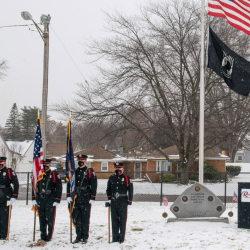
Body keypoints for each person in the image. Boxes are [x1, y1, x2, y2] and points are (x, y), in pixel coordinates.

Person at [67, 154, 97, 244]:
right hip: (76, 198)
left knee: (85, 219)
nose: (81, 162)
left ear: (86, 161)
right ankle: (78, 236)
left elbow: (94, 185)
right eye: (79, 160)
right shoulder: (74, 172)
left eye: (82, 160)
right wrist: (68, 195)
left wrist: (92, 197)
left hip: (86, 197)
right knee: (77, 219)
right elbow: (70, 184)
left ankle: (85, 237)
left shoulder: (90, 172)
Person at [32, 158, 62, 242]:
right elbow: (34, 187)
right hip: (41, 199)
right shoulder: (39, 175)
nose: (45, 167)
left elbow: (59, 187)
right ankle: (43, 235)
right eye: (44, 165)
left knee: (50, 219)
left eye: (47, 165)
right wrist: (33, 198)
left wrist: (57, 199)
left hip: (50, 199)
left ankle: (49, 236)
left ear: (50, 165)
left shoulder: (54, 174)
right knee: (42, 218)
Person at [106, 162, 133, 244]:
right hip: (114, 201)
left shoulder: (127, 178)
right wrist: (109, 198)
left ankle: (121, 238)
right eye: (117, 169)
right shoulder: (111, 178)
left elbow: (130, 191)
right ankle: (115, 238)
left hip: (123, 201)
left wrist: (129, 201)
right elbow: (108, 189)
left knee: (122, 220)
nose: (118, 170)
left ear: (123, 169)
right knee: (114, 220)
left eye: (120, 169)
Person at [0, 156, 19, 240]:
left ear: (5, 163)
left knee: (4, 217)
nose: (0, 166)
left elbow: (16, 184)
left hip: (6, 197)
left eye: (1, 164)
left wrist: (14, 196)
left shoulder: (9, 172)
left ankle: (4, 235)